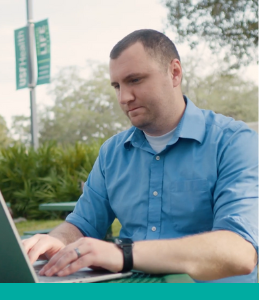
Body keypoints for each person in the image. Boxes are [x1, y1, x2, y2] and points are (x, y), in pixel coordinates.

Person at [21, 29, 257, 283]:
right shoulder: (112, 153)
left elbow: (239, 252)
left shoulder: (234, 143)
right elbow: (82, 224)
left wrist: (123, 254)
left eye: (135, 80)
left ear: (174, 72)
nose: (124, 98)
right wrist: (55, 242)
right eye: (117, 86)